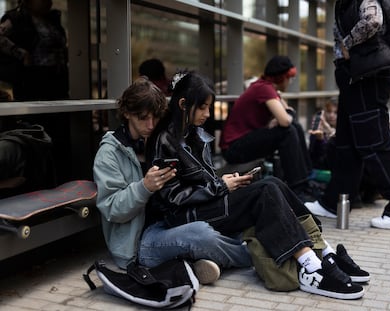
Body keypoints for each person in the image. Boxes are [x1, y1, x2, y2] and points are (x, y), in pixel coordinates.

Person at [146, 70, 369, 300]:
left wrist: (225, 182)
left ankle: (324, 252)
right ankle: (312, 268)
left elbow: (203, 179)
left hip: (207, 203)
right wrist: (220, 186)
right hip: (185, 215)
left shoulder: (193, 133)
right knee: (265, 190)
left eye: (209, 107)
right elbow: (172, 197)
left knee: (272, 182)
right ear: (183, 104)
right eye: (203, 107)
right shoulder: (165, 141)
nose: (208, 114)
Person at [93, 77, 252, 285]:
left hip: (173, 222)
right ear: (126, 113)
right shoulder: (109, 153)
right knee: (201, 235)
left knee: (227, 217)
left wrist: (218, 183)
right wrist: (144, 187)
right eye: (142, 118)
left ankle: (202, 261)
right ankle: (255, 258)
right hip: (141, 242)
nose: (150, 125)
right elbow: (112, 208)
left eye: (155, 118)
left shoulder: (160, 139)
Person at [305, 0, 390, 229]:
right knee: (347, 142)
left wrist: (347, 44)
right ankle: (335, 201)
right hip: (356, 76)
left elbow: (373, 19)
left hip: (368, 77)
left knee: (375, 143)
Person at [219, 56, 315, 201]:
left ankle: (306, 180)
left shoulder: (266, 87)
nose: (290, 82)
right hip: (233, 148)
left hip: (244, 142)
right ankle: (298, 188)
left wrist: (285, 113)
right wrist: (285, 115)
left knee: (294, 127)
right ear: (283, 77)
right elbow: (285, 120)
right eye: (290, 78)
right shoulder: (263, 88)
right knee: (288, 132)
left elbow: (288, 117)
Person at [0, 0, 69, 101]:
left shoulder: (52, 19)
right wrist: (20, 53)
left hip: (58, 78)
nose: (48, 1)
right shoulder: (18, 18)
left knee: (59, 112)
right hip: (33, 80)